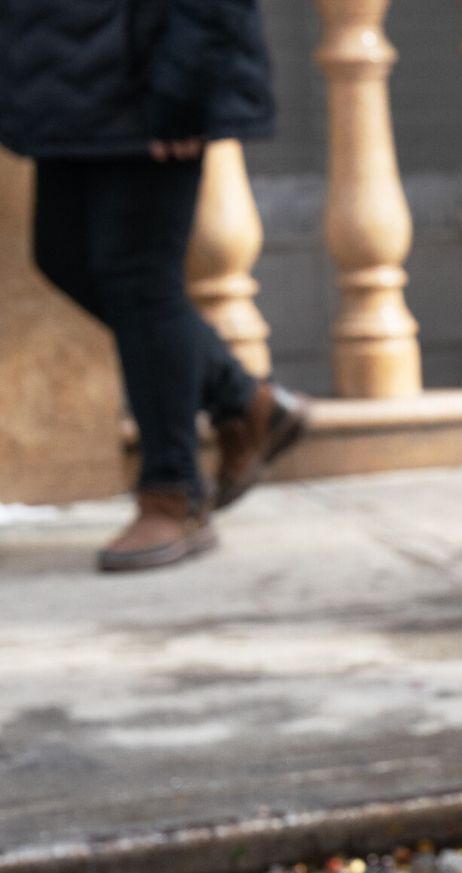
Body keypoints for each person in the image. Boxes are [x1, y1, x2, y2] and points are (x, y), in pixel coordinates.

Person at [0, 0, 306, 572]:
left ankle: (173, 493)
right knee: (63, 256)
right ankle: (242, 398)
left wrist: (184, 89)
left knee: (140, 279)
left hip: (146, 82)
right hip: (59, 86)